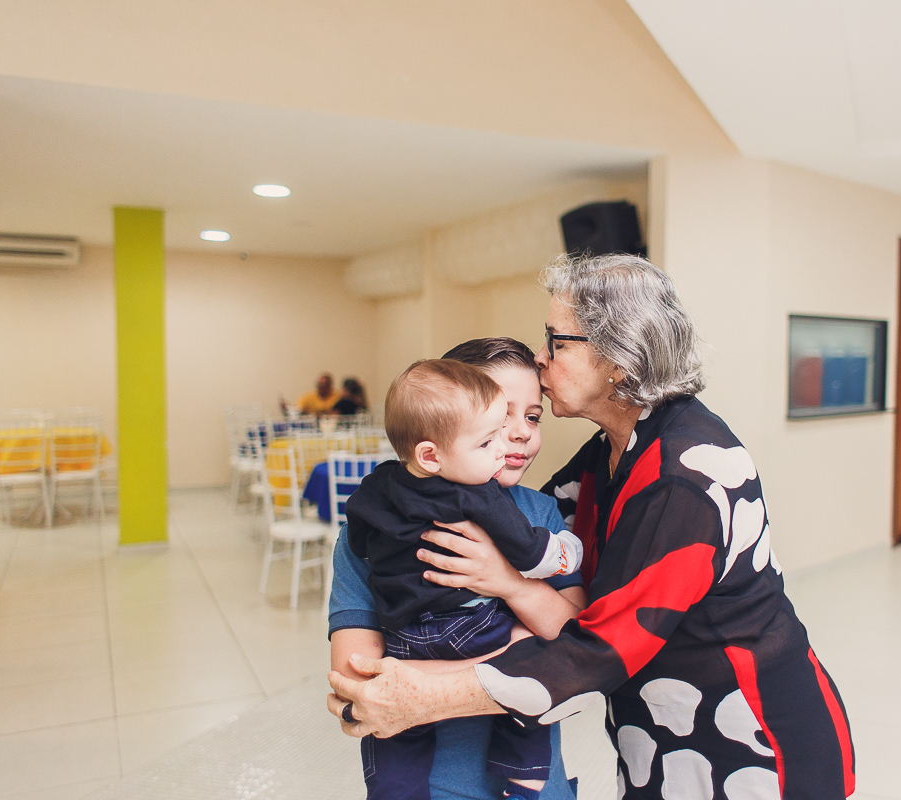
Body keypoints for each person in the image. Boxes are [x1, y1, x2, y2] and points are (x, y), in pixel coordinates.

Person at [328, 255, 856, 800]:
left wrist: (421, 690)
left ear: (618, 360)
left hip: (746, 741)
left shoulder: (685, 474)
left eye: (557, 342)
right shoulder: (610, 454)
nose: (541, 357)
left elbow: (600, 648)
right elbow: (522, 515)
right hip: (660, 729)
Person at [330, 344, 587, 800]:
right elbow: (362, 685)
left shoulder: (542, 514)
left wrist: (507, 581)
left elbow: (580, 650)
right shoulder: (377, 528)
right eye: (502, 414)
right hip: (431, 787)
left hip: (536, 788)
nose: (520, 433)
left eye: (533, 416)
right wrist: (518, 660)